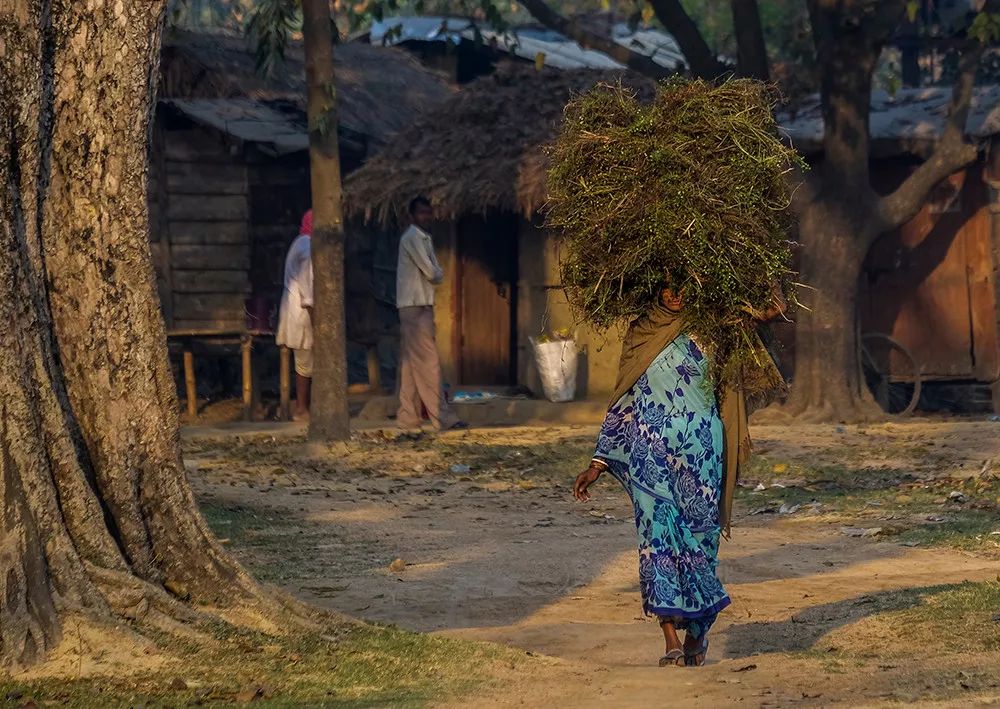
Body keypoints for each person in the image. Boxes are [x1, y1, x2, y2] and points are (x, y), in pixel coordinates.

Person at [573, 286, 784, 668]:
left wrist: (767, 291)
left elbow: (766, 312)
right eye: (667, 286)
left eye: (684, 286)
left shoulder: (713, 327)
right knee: (657, 540)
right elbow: (624, 398)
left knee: (702, 542)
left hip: (701, 452)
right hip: (649, 452)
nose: (675, 294)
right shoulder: (641, 331)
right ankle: (669, 636)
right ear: (654, 286)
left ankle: (697, 632)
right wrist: (599, 462)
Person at [396, 197, 465, 431]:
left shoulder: (423, 238)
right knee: (429, 362)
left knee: (410, 364)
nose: (426, 217)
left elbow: (435, 272)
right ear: (412, 216)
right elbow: (432, 272)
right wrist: (437, 271)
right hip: (415, 307)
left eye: (428, 213)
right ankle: (442, 417)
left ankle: (408, 415)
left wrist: (437, 271)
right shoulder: (412, 238)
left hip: (416, 306)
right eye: (421, 213)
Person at [276, 209, 314, 421]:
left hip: (294, 308)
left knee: (305, 361)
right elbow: (307, 291)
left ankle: (304, 407)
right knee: (304, 362)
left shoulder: (299, 242)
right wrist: (317, 321)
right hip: (301, 311)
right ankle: (301, 409)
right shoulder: (307, 247)